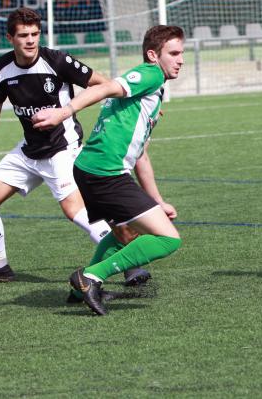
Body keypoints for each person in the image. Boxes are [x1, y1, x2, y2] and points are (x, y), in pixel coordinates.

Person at [0, 7, 149, 287]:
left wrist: (137, 101)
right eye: (23, 35)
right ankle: (0, 269)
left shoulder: (57, 61)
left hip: (62, 148)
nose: (31, 40)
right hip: (30, 150)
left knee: (76, 212)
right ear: (10, 37)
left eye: (35, 34)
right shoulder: (1, 68)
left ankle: (131, 262)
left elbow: (105, 83)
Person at [32, 25, 184, 315]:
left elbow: (141, 157)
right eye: (174, 53)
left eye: (181, 54)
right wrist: (63, 112)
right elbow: (104, 87)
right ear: (153, 55)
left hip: (92, 169)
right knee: (168, 239)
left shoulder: (150, 95)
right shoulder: (150, 74)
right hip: (104, 172)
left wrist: (158, 201)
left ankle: (83, 284)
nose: (180, 60)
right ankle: (91, 278)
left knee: (123, 231)